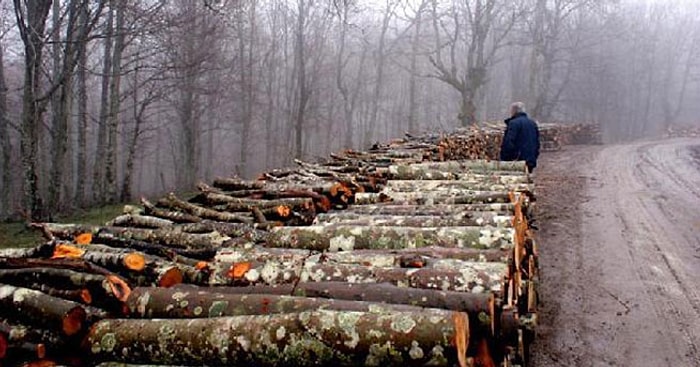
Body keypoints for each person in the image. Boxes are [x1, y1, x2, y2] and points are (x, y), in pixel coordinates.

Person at [499, 102, 540, 173]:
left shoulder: (513, 124)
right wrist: (534, 156)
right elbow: (537, 143)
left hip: (516, 161)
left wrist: (505, 159)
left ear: (514, 111)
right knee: (527, 180)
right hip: (530, 160)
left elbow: (508, 142)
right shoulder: (532, 123)